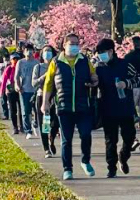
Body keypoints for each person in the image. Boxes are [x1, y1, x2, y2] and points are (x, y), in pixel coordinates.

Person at [42, 33, 99, 181]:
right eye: (71, 43)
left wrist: (94, 81)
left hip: (82, 106)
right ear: (64, 45)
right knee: (66, 140)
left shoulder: (84, 60)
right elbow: (48, 84)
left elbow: (94, 76)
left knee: (86, 135)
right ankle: (67, 169)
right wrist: (45, 102)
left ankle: (85, 160)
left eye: (77, 43)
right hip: (63, 106)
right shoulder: (56, 62)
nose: (75, 46)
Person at [96, 38, 139, 178]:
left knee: (129, 136)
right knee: (110, 140)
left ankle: (124, 156)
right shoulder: (98, 68)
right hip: (107, 108)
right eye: (99, 53)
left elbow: (138, 78)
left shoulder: (125, 64)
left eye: (102, 52)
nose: (100, 55)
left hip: (125, 107)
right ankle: (111, 167)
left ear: (110, 51)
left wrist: (126, 84)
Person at [32, 44, 60, 158]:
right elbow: (34, 83)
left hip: (55, 96)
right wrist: (46, 75)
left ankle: (51, 138)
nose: (47, 53)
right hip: (42, 97)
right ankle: (46, 149)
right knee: (45, 123)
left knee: (56, 122)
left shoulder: (57, 65)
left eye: (49, 51)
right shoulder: (38, 67)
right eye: (45, 51)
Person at [15, 44, 39, 138]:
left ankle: (35, 124)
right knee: (25, 111)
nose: (29, 52)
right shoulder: (20, 62)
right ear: (24, 52)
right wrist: (17, 85)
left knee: (36, 109)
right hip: (24, 90)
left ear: (33, 51)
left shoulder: (37, 63)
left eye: (30, 50)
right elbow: (16, 76)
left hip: (35, 90)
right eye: (27, 50)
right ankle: (28, 130)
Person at [0, 53, 22, 134]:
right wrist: (2, 92)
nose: (15, 61)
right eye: (14, 59)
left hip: (20, 90)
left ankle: (22, 126)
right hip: (11, 91)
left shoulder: (21, 68)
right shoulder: (9, 69)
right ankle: (15, 127)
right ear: (11, 60)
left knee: (21, 109)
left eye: (17, 59)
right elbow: (4, 80)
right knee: (13, 110)